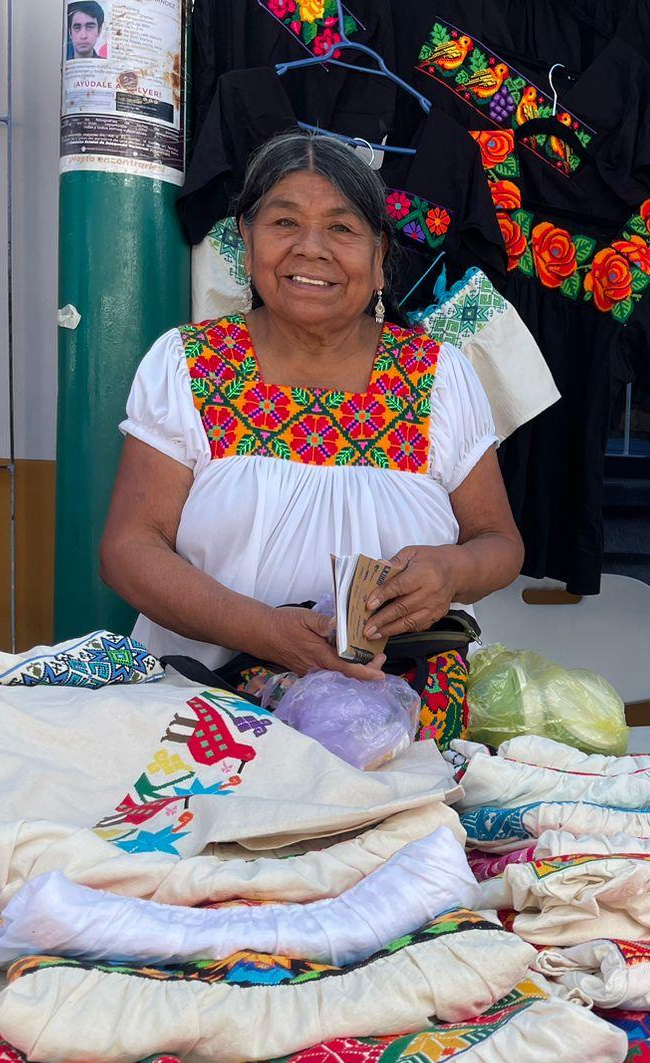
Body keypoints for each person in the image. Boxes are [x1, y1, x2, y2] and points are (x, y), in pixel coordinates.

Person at [100, 131, 525, 690]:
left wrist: (452, 571)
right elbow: (129, 549)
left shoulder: (439, 375)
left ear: (380, 257)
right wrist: (263, 631)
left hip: (402, 707)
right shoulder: (188, 362)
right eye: (284, 222)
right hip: (210, 705)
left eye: (342, 228)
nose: (311, 248)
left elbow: (499, 543)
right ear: (247, 243)